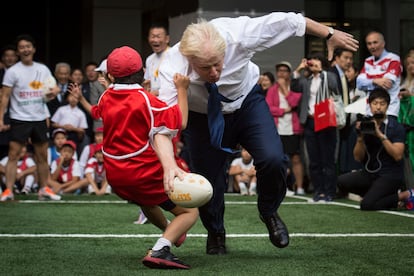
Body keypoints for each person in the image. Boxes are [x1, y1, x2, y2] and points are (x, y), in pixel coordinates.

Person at [156, 12, 358, 255]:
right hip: (203, 116)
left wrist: (330, 33)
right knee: (209, 181)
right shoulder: (171, 66)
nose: (214, 73)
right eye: (205, 68)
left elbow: (289, 21)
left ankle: (269, 211)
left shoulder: (240, 35)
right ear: (189, 59)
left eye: (218, 64)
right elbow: (163, 126)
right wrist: (168, 165)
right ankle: (216, 231)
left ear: (226, 50)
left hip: (246, 104)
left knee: (273, 158)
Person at [69, 45, 198, 269]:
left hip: (116, 177)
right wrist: (182, 89)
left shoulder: (107, 96)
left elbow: (96, 112)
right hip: (141, 172)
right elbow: (182, 122)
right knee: (190, 212)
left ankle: (172, 233)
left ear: (109, 75)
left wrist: (81, 99)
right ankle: (161, 249)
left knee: (147, 202)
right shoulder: (147, 100)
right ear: (144, 73)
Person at [0, 34, 61, 201]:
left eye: (28, 46)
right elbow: (4, 96)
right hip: (19, 118)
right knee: (13, 155)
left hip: (39, 117)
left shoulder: (42, 69)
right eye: (22, 47)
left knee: (42, 156)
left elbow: (54, 88)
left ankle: (44, 189)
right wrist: (0, 118)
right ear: (18, 51)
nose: (25, 49)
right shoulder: (12, 71)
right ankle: (8, 191)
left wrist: (55, 91)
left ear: (33, 49)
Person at [337, 88, 414, 210]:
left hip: (390, 175)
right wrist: (360, 138)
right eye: (375, 103)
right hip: (371, 173)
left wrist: (380, 135)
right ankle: (378, 195)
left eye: (382, 104)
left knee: (367, 205)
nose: (378, 107)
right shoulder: (365, 125)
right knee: (341, 181)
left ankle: (404, 195)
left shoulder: (396, 127)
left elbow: (398, 155)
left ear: (387, 106)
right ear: (370, 105)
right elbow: (358, 157)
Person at [291, 52, 340, 202]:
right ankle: (318, 190)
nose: (314, 62)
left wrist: (322, 71)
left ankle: (329, 191)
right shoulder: (307, 80)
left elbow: (335, 87)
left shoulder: (329, 76)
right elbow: (294, 87)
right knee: (314, 160)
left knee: (327, 159)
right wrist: (299, 69)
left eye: (317, 59)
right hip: (310, 121)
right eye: (312, 60)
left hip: (326, 120)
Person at [266, 61, 305, 195]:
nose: (281, 73)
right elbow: (269, 107)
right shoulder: (272, 89)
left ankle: (299, 187)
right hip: (278, 128)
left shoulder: (295, 86)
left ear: (289, 73)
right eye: (279, 70)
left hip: (293, 128)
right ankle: (284, 187)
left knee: (295, 158)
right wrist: (282, 110)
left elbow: (294, 102)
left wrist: (284, 89)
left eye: (285, 70)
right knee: (279, 158)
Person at [357, 31, 402, 120]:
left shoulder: (393, 59)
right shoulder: (368, 61)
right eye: (369, 44)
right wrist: (375, 81)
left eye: (375, 42)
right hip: (370, 112)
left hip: (389, 112)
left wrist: (368, 81)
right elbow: (359, 84)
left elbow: (386, 83)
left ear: (383, 43)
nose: (372, 46)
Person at [143, 22, 170, 98]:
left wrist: (159, 92)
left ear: (167, 39)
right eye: (152, 36)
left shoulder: (173, 56)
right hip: (153, 100)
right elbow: (148, 82)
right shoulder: (149, 59)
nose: (155, 40)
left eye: (158, 37)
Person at [0, 44, 18, 159]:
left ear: (16, 57)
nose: (10, 58)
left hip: (15, 116)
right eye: (7, 56)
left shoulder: (20, 73)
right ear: (3, 58)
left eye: (12, 56)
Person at [398, 48, 414, 176]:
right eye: (408, 64)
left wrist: (411, 96)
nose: (410, 66)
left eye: (413, 63)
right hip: (406, 127)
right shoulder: (405, 82)